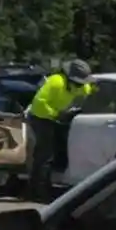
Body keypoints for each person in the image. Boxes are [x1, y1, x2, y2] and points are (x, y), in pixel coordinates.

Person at [24, 59, 95, 201]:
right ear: (69, 78)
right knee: (45, 154)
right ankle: (37, 191)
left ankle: (48, 183)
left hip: (58, 118)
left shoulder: (81, 86)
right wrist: (56, 114)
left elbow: (89, 93)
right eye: (78, 82)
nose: (80, 85)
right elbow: (39, 104)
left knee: (57, 151)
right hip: (41, 117)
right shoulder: (55, 82)